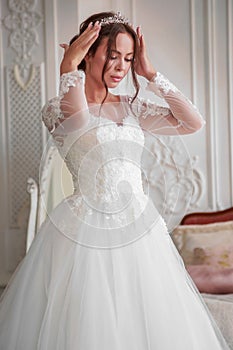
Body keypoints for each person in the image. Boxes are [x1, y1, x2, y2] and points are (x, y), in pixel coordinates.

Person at [0, 10, 230, 350]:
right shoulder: (57, 108)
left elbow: (193, 122)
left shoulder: (133, 108)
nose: (122, 67)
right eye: (112, 55)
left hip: (139, 229)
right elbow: (78, 127)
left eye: (128, 58)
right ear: (88, 53)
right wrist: (67, 69)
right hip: (83, 231)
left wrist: (150, 74)